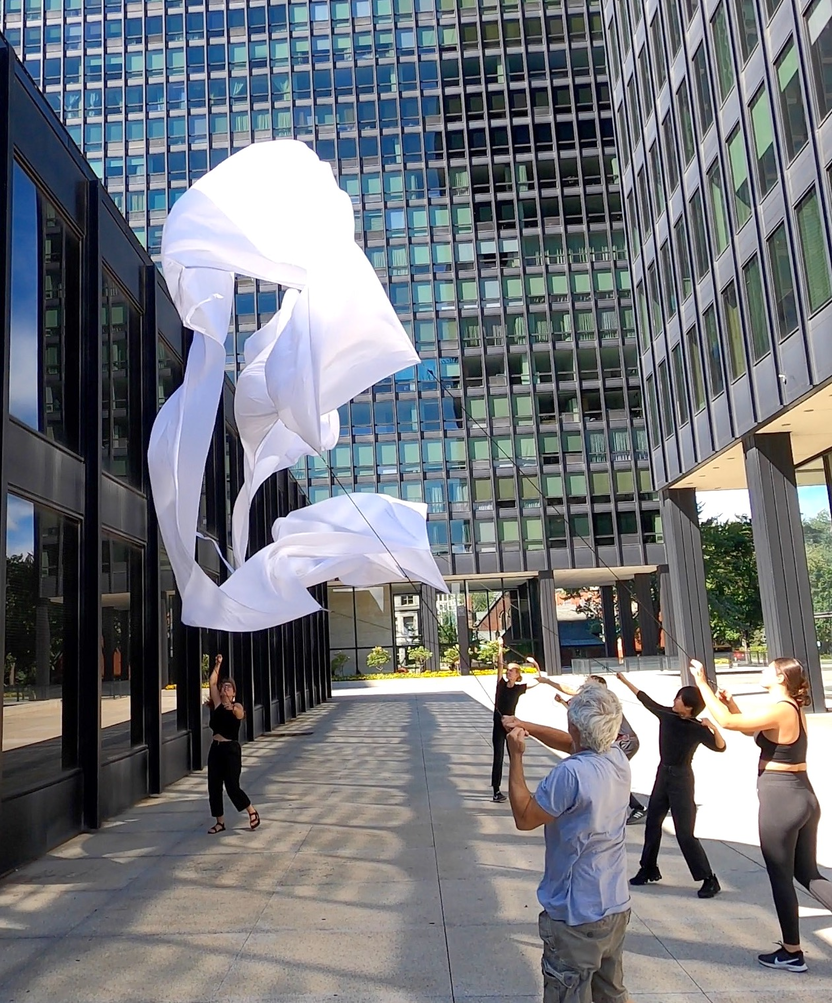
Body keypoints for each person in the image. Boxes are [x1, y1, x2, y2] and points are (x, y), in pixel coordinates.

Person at [692, 657, 832, 972]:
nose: (763, 670)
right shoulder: (789, 709)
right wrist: (732, 704)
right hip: (802, 796)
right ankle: (791, 950)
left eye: (769, 668)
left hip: (782, 800)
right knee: (807, 873)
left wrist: (701, 683)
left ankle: (792, 952)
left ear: (781, 677)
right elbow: (749, 730)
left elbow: (727, 723)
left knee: (781, 877)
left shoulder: (782, 708)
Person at [504, 684, 634, 1003]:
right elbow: (573, 743)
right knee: (611, 992)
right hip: (615, 905)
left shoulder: (570, 774)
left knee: (568, 994)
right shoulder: (618, 757)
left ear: (575, 726)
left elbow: (525, 817)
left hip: (576, 915)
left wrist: (516, 757)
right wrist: (527, 726)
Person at [616, 671, 725, 898]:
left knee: (684, 833)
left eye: (679, 699)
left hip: (681, 779)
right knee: (652, 823)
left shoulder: (697, 728)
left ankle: (709, 879)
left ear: (689, 707)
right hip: (662, 775)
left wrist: (713, 728)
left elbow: (720, 747)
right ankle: (648, 869)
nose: (674, 701)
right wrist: (624, 680)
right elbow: (644, 699)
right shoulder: (667, 715)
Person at [531, 664, 646, 824]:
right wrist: (563, 702)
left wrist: (547, 681)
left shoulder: (602, 699)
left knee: (605, 770)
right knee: (604, 769)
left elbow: (568, 690)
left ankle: (636, 807)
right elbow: (580, 716)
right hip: (621, 741)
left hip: (626, 741)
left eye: (588, 682)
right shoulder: (597, 701)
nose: (584, 685)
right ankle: (628, 805)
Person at [206, 654, 260, 833]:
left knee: (232, 786)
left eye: (229, 687)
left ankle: (251, 811)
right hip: (216, 750)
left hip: (231, 751)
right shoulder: (217, 705)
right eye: (224, 686)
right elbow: (212, 682)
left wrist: (233, 707)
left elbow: (240, 714)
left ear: (233, 694)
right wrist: (217, 665)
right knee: (214, 786)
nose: (225, 688)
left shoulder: (237, 707)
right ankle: (220, 822)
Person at [491, 638, 539, 802]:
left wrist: (535, 664)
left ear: (517, 675)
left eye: (512, 671)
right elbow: (499, 665)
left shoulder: (519, 688)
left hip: (510, 725)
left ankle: (518, 788)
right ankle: (496, 790)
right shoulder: (501, 684)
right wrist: (500, 647)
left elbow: (538, 680)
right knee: (498, 756)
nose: (508, 672)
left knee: (514, 757)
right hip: (498, 725)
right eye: (508, 670)